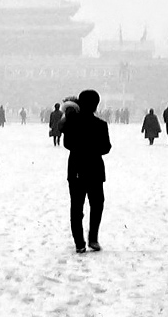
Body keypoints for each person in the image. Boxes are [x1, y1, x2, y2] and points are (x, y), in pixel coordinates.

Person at [63, 89, 110, 253]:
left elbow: (67, 144)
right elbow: (106, 148)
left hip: (76, 168)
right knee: (97, 204)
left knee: (76, 206)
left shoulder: (72, 123)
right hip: (95, 170)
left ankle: (79, 242)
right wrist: (93, 149)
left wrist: (81, 148)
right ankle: (93, 238)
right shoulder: (101, 125)